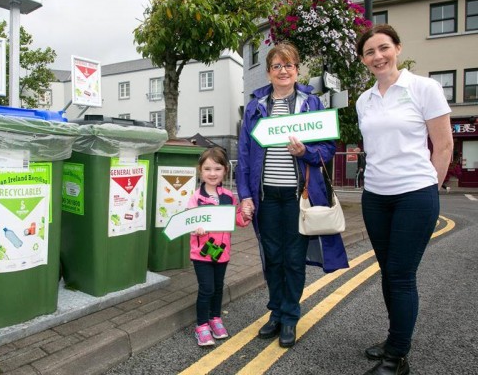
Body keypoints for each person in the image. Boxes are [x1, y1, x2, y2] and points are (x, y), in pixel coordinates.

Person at [236, 42, 348, 349]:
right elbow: (244, 155)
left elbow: (327, 149)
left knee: (294, 259)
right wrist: (245, 195)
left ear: (297, 70)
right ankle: (275, 311)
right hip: (266, 196)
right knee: (272, 257)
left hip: (299, 197)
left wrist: (306, 151)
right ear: (269, 72)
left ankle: (290, 316)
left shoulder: (311, 104)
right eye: (276, 66)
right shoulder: (255, 106)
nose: (283, 71)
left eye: (288, 65)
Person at [355, 24, 453, 375]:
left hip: (415, 194)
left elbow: (443, 145)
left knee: (400, 275)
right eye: (369, 52)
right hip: (376, 196)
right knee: (388, 273)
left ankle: (397, 357)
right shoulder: (363, 100)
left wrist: (430, 187)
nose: (378, 56)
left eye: (383, 48)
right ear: (364, 60)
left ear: (397, 48)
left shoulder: (424, 88)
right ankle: (394, 338)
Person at [188, 147, 251, 347]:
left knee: (217, 288)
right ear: (200, 171)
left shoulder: (228, 197)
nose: (212, 173)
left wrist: (246, 213)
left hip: (222, 253)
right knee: (206, 289)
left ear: (225, 170)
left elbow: (237, 220)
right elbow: (187, 222)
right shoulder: (195, 198)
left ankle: (215, 319)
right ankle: (201, 326)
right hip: (201, 254)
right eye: (207, 169)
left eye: (217, 168)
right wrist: (195, 228)